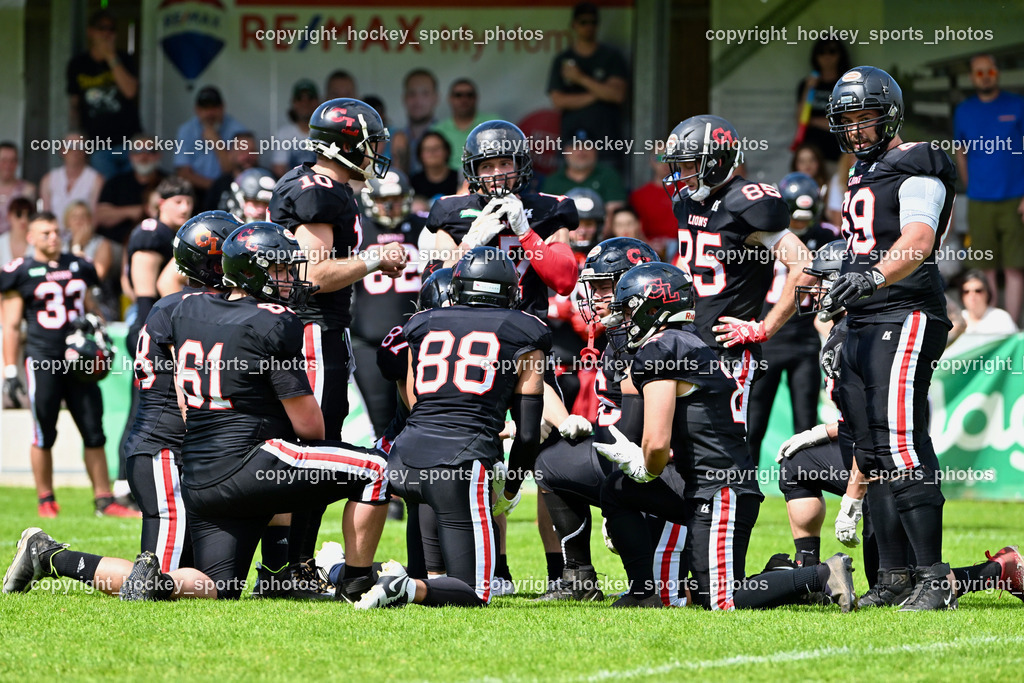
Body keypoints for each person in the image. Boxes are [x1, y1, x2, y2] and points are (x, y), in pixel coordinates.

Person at [595, 261, 857, 610]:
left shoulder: (662, 350)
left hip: (721, 490)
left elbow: (656, 443)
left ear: (654, 308)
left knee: (721, 600)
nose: (624, 320)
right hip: (705, 484)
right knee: (616, 491)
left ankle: (822, 574)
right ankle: (646, 592)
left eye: (629, 310)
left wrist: (644, 468)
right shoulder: (689, 342)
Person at [820, 66, 958, 610]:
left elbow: (918, 237)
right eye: (847, 120)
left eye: (866, 116)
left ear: (891, 113)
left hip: (904, 311)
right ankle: (895, 576)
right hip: (864, 317)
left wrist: (873, 275)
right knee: (871, 448)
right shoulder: (860, 172)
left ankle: (935, 577)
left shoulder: (916, 164)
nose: (856, 129)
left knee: (901, 441)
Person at [354, 247, 549, 609]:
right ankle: (403, 587)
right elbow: (526, 432)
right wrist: (509, 488)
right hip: (459, 464)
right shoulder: (527, 332)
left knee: (432, 578)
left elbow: (416, 402)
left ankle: (359, 575)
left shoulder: (422, 323)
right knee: (475, 591)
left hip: (405, 460)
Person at [268, 97, 406, 571]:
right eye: (369, 144)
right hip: (313, 328)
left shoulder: (315, 183)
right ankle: (290, 565)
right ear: (346, 144)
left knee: (309, 444)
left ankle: (288, 564)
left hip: (316, 328)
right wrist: (375, 259)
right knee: (310, 446)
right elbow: (314, 275)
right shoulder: (320, 189)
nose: (374, 154)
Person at [664, 114, 814, 425]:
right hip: (688, 344)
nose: (682, 174)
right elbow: (688, 266)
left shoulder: (747, 203)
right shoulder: (688, 203)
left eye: (690, 164)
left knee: (728, 452)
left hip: (726, 354)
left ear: (717, 161)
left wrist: (765, 328)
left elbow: (804, 264)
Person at [124, 211, 240, 574]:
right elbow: (186, 393)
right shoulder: (187, 309)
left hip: (173, 448)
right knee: (156, 579)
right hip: (164, 449)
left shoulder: (180, 303)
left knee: (196, 578)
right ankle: (54, 558)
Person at [1, 212, 137, 518]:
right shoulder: (20, 271)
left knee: (94, 430)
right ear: (31, 237)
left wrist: (98, 329)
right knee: (43, 433)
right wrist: (10, 370)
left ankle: (104, 500)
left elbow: (90, 306)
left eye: (55, 231)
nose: (52, 237)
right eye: (45, 232)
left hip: (80, 362)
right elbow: (10, 325)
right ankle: (45, 498)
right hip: (43, 360)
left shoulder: (78, 265)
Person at [745, 173, 838, 464]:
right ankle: (744, 490)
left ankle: (804, 489)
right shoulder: (764, 234)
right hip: (769, 335)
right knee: (752, 423)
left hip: (805, 340)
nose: (799, 227)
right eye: (794, 220)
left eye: (804, 221)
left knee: (806, 427)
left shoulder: (827, 235)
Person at [350, 170, 425, 440]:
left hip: (417, 343)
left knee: (421, 419)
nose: (391, 206)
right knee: (381, 421)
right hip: (368, 342)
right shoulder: (357, 229)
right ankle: (385, 479)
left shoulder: (424, 227)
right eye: (384, 199)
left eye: (396, 198)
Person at [954, 53, 1024, 326]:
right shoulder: (964, 110)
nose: (984, 76)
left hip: (1015, 199)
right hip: (979, 200)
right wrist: (973, 187)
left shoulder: (1017, 105)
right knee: (986, 270)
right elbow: (961, 152)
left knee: (1015, 268)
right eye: (978, 72)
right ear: (972, 77)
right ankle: (991, 331)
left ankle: (1013, 331)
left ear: (997, 73)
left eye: (989, 71)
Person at [547, 2, 628, 172]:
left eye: (593, 22)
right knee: (567, 195)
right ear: (574, 25)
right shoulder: (563, 58)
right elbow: (558, 101)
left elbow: (617, 95)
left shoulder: (611, 56)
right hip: (572, 141)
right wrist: (600, 91)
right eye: (583, 22)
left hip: (607, 142)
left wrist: (580, 78)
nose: (589, 26)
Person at [65, 8, 141, 179]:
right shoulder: (78, 63)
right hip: (98, 143)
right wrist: (76, 138)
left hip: (128, 140)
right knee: (107, 193)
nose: (107, 33)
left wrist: (111, 57)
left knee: (130, 190)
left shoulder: (124, 58)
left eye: (111, 29)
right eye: (102, 28)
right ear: (90, 31)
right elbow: (74, 104)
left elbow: (130, 92)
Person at [174, 86, 248, 199]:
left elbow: (231, 169)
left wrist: (216, 142)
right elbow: (183, 173)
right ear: (197, 110)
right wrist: (214, 187)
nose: (209, 113)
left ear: (222, 107)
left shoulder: (237, 130)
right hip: (195, 190)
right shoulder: (186, 130)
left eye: (214, 107)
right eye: (205, 108)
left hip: (228, 190)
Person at [95, 133, 167, 245]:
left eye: (150, 151)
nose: (143, 156)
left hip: (159, 244)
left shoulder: (169, 183)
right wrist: (132, 211)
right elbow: (100, 216)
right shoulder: (115, 182)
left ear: (158, 155)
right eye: (138, 151)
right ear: (130, 156)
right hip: (116, 246)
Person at [541, 130, 626, 222]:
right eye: (575, 146)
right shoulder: (553, 180)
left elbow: (615, 213)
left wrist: (600, 235)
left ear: (595, 150)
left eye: (587, 146)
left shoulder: (609, 175)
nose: (581, 152)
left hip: (602, 234)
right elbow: (546, 216)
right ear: (566, 151)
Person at [794, 38, 851, 164]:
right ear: (815, 56)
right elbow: (800, 119)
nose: (827, 56)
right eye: (821, 52)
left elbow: (844, 123)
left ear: (840, 54)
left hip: (839, 154)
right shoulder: (807, 84)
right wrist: (809, 88)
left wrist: (812, 121)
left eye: (832, 51)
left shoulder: (846, 84)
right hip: (812, 157)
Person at [944, 269, 1018, 356]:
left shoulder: (1001, 317)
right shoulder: (957, 320)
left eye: (978, 291)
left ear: (987, 293)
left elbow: (1013, 348)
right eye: (966, 291)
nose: (972, 295)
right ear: (961, 295)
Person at [39, 132, 104, 230]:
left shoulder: (96, 180)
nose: (75, 150)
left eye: (80, 146)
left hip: (84, 237)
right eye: (70, 146)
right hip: (55, 238)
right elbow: (46, 216)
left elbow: (95, 217)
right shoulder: (48, 179)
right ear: (62, 150)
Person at [432, 79, 497, 172]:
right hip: (448, 181)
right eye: (458, 95)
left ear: (476, 98)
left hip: (486, 175)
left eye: (469, 95)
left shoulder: (493, 123)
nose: (464, 99)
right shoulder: (438, 130)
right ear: (450, 99)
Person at [390, 69, 439, 176]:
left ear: (436, 98)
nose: (418, 100)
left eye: (425, 94)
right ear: (404, 98)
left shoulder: (445, 135)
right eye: (412, 94)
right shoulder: (393, 137)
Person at [628, 152, 676, 256]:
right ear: (651, 161)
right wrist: (647, 243)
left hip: (681, 248)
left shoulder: (687, 190)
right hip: (647, 249)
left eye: (670, 157)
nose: (665, 162)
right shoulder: (639, 195)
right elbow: (634, 226)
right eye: (659, 157)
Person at [203, 131, 263, 214]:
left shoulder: (269, 180)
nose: (247, 156)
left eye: (252, 151)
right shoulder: (220, 185)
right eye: (242, 151)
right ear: (231, 154)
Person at [271, 79, 320, 178]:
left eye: (310, 98)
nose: (305, 103)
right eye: (300, 99)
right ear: (293, 103)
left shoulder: (326, 133)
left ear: (318, 102)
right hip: (293, 188)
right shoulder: (284, 133)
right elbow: (279, 169)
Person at [409, 131, 459, 205]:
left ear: (446, 151)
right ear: (420, 155)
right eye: (427, 149)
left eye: (436, 148)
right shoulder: (413, 182)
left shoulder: (459, 178)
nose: (432, 153)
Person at [0, 142, 36, 237]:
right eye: (4, 160)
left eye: (13, 161)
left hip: (15, 245)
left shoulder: (28, 190)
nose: (8, 165)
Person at [0, 197, 33, 267]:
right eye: (19, 214)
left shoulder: (38, 243)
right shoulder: (1, 243)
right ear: (9, 216)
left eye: (29, 215)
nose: (23, 220)